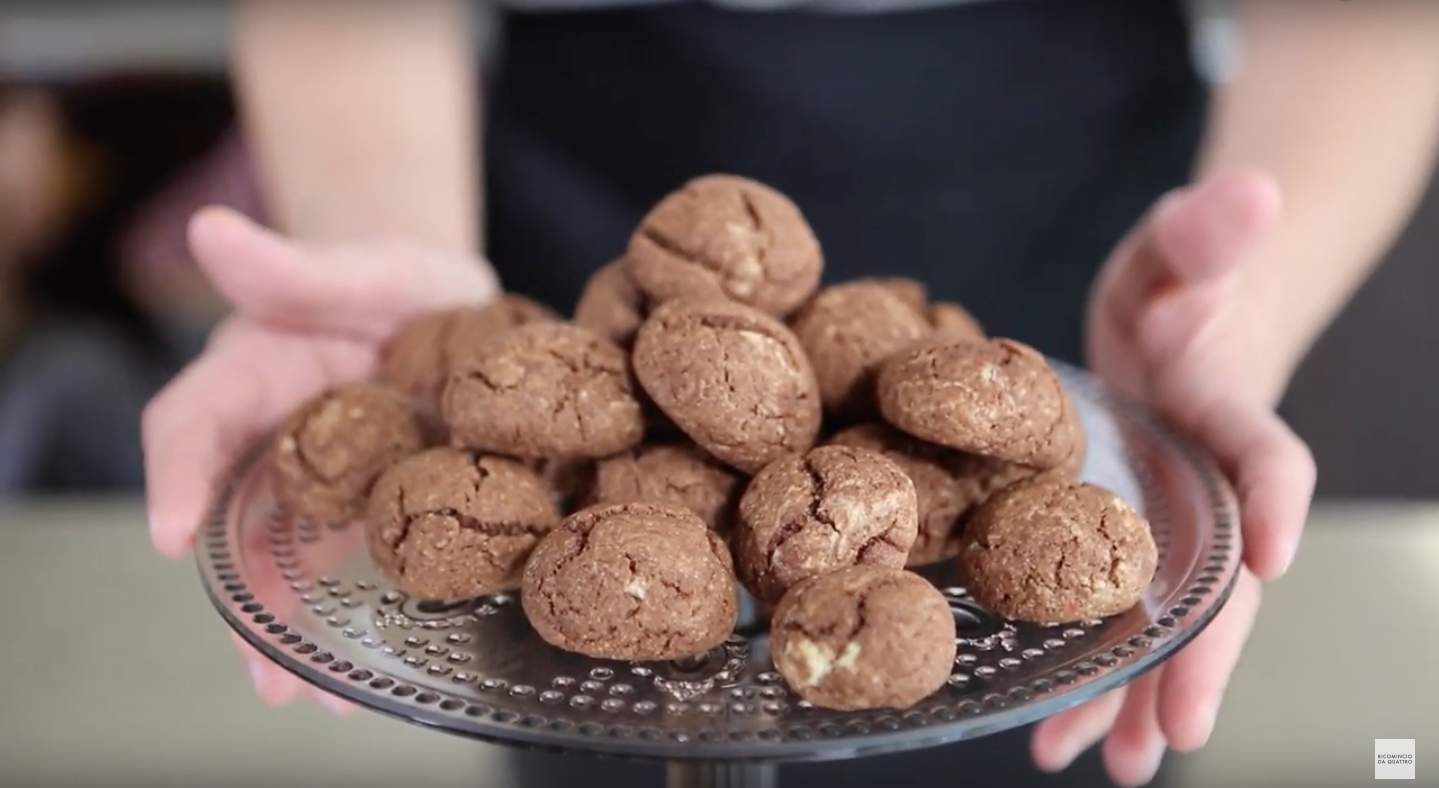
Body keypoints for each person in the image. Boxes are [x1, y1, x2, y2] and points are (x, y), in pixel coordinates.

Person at [141, 0, 1439, 785]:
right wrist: (382, 243)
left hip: (1060, 191)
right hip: (578, 193)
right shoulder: (578, 401)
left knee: (1028, 733)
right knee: (599, 734)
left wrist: (1244, 300)